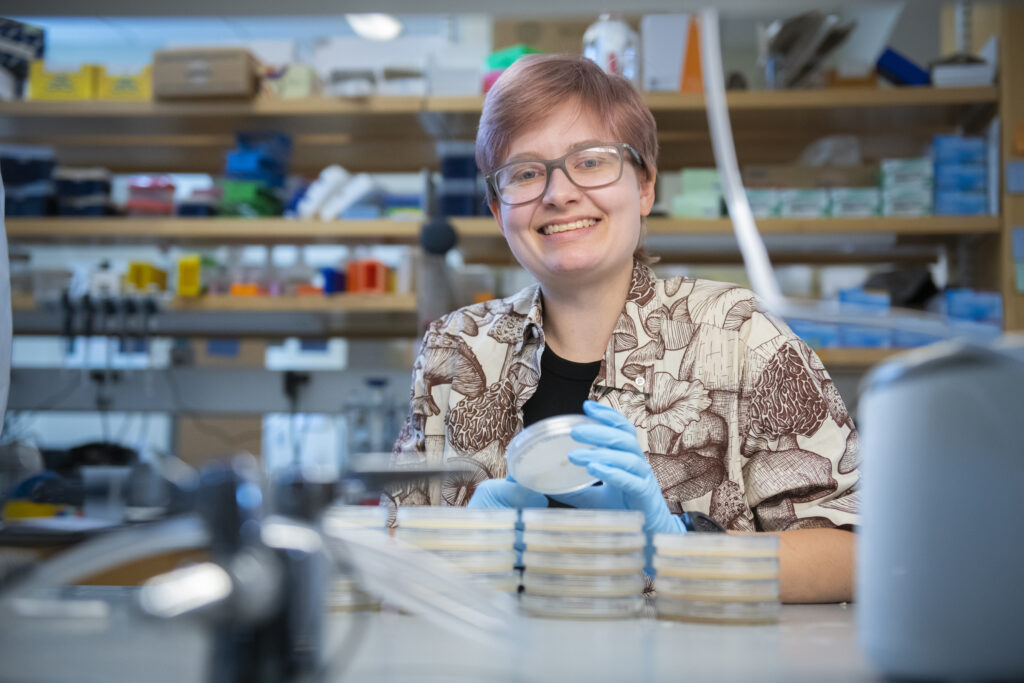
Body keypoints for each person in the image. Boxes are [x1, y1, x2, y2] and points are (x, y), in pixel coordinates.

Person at [389, 54, 858, 603]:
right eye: (526, 173)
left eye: (590, 162)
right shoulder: (455, 347)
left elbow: (855, 556)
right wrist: (460, 544)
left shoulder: (742, 335)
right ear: (498, 210)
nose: (558, 193)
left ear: (645, 187)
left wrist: (678, 549)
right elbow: (388, 546)